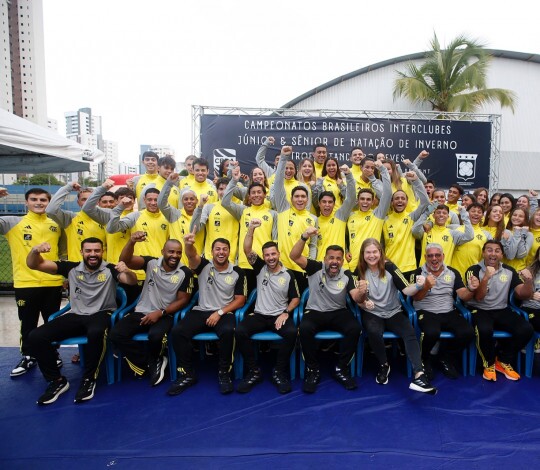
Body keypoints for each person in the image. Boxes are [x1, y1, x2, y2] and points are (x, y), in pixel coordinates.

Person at [25, 238, 137, 404]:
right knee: (35, 336)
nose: (93, 254)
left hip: (102, 313)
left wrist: (127, 271)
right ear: (82, 252)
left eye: (97, 251)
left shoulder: (110, 269)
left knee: (96, 332)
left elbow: (131, 281)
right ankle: (56, 381)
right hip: (76, 314)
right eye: (89, 251)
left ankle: (89, 379)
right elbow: (34, 265)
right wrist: (35, 251)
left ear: (102, 252)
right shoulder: (71, 268)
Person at [167, 232, 246, 396]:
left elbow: (240, 300)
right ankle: (187, 374)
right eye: (218, 249)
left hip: (224, 312)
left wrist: (220, 312)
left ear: (229, 252)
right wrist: (188, 243)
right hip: (201, 310)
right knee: (178, 331)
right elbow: (192, 255)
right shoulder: (204, 265)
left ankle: (224, 373)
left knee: (228, 332)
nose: (221, 252)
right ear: (212, 252)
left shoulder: (238, 271)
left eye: (225, 249)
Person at [110, 233, 194, 386]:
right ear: (163, 251)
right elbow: (126, 260)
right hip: (142, 310)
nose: (175, 255)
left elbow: (183, 300)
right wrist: (131, 242)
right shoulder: (151, 263)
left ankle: (155, 359)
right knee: (116, 334)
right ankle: (148, 363)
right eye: (171, 251)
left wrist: (161, 313)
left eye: (178, 252)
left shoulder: (185, 272)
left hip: (166, 314)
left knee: (155, 336)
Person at [354, 238, 437, 394]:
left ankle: (419, 374)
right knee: (373, 331)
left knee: (409, 331)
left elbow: (406, 291)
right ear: (362, 254)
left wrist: (419, 285)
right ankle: (384, 365)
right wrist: (364, 302)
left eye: (375, 252)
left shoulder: (390, 267)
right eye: (368, 252)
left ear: (380, 252)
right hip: (372, 313)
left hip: (393, 311)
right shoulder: (358, 270)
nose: (372, 255)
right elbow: (356, 299)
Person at [1, 188, 64, 377]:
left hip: (52, 283)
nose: (39, 202)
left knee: (51, 322)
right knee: (28, 322)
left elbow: (61, 254)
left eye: (43, 199)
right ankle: (29, 356)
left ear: (48, 202)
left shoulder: (56, 224)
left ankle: (52, 353)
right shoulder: (13, 222)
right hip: (26, 283)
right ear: (26, 202)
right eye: (34, 199)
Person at [290, 228, 362, 393]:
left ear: (343, 261)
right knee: (305, 329)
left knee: (355, 328)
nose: (334, 261)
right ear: (325, 259)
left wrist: (363, 292)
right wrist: (304, 237)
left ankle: (341, 368)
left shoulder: (347, 274)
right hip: (315, 311)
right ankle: (313, 369)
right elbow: (294, 256)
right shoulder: (315, 267)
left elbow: (355, 297)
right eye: (331, 258)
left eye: (338, 258)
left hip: (338, 311)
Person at [235, 219, 300, 394]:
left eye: (273, 254)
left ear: (278, 254)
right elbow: (247, 249)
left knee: (292, 333)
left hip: (278, 315)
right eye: (267, 255)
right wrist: (250, 230)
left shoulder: (288, 274)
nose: (270, 258)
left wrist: (286, 313)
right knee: (240, 330)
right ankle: (254, 371)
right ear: (264, 257)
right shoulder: (260, 268)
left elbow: (295, 299)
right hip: (259, 315)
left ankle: (278, 371)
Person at [465, 240, 534, 381]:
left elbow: (523, 294)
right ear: (483, 253)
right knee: (484, 330)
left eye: (497, 250)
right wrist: (486, 278)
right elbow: (478, 298)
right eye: (489, 250)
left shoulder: (509, 271)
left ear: (502, 254)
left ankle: (502, 360)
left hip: (501, 309)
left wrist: (528, 282)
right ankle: (488, 363)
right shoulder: (473, 270)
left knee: (526, 329)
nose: (493, 253)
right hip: (479, 309)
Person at [412, 243, 475, 379]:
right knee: (432, 331)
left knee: (468, 332)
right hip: (426, 310)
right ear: (425, 257)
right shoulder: (418, 273)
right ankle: (424, 359)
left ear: (443, 256)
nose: (434, 259)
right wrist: (426, 287)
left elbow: (463, 295)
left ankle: (445, 357)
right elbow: (416, 298)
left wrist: (471, 289)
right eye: (430, 256)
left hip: (448, 311)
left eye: (437, 255)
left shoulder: (452, 272)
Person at [221, 166, 278, 291]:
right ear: (249, 196)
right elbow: (225, 202)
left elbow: (275, 239)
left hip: (265, 263)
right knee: (244, 300)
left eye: (259, 192)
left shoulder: (272, 214)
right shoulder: (242, 211)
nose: (256, 195)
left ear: (264, 195)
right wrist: (234, 180)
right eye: (253, 193)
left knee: (264, 298)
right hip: (245, 262)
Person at [273, 142, 318, 292]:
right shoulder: (283, 209)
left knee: (301, 307)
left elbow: (313, 245)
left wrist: (310, 264)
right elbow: (278, 183)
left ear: (307, 199)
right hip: (283, 267)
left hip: (302, 267)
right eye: (296, 196)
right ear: (291, 199)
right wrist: (284, 158)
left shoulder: (313, 218)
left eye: (303, 197)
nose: (299, 199)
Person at [107, 188, 169, 281]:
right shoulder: (135, 216)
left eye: (156, 200)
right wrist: (120, 207)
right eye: (149, 200)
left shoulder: (168, 218)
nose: (153, 203)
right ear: (144, 200)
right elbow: (112, 229)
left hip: (161, 270)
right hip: (139, 270)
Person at [382, 170, 430, 281]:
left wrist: (416, 180)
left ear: (407, 202)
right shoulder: (385, 220)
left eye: (403, 198)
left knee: (409, 297)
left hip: (410, 268)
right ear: (391, 202)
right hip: (390, 267)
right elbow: (381, 245)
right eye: (396, 198)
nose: (400, 201)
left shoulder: (411, 217)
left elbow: (425, 202)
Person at [346, 160, 392, 272]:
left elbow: (388, 194)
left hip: (372, 265)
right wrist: (346, 250)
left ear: (373, 202)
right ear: (357, 201)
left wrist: (383, 170)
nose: (365, 202)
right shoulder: (350, 216)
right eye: (362, 199)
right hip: (353, 265)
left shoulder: (377, 214)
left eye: (368, 199)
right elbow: (345, 237)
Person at [46, 182, 106, 261]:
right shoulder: (71, 219)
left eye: (91, 199)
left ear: (97, 202)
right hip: (77, 269)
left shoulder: (105, 219)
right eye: (84, 199)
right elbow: (51, 210)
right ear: (78, 203)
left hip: (101, 269)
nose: (87, 202)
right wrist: (68, 187)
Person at [190, 177, 240, 263]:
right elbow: (196, 229)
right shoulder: (208, 207)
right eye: (221, 189)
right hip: (210, 257)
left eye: (227, 189)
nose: (224, 192)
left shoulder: (238, 208)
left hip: (231, 258)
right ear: (216, 191)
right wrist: (200, 206)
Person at [315, 165, 356, 265]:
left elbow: (351, 198)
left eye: (330, 202)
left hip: (342, 268)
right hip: (321, 267)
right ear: (319, 204)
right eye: (324, 202)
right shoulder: (313, 221)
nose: (327, 205)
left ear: (334, 204)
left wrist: (349, 176)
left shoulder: (340, 217)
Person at [452, 202, 492, 279]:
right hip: (454, 272)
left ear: (482, 216)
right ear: (467, 213)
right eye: (473, 211)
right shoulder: (455, 228)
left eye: (479, 212)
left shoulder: (486, 234)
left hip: (473, 274)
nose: (476, 214)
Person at [503, 207, 533, 272]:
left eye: (520, 216)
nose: (516, 218)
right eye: (514, 215)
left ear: (525, 219)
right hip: (503, 269)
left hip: (518, 271)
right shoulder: (505, 232)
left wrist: (521, 235)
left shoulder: (529, 235)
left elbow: (520, 255)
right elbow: (509, 255)